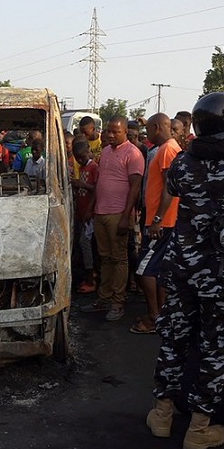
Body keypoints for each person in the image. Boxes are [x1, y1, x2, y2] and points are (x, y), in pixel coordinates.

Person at [146, 92, 224, 449]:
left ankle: (163, 415)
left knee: (174, 338)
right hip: (222, 275)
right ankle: (199, 429)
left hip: (182, 268)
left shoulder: (184, 165)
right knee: (216, 346)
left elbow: (173, 188)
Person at [80, 115, 144, 321]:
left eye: (115, 131)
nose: (110, 134)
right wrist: (92, 208)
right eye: (108, 131)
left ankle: (118, 302)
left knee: (119, 259)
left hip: (119, 215)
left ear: (125, 132)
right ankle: (104, 298)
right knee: (105, 258)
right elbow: (100, 183)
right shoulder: (106, 152)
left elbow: (135, 187)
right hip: (101, 213)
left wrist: (127, 216)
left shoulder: (133, 154)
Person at [132, 114, 180, 334]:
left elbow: (170, 189)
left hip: (162, 223)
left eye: (149, 129)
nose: (147, 134)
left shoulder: (168, 150)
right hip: (160, 221)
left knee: (143, 270)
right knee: (159, 271)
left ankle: (154, 317)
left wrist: (158, 220)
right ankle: (162, 316)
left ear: (157, 127)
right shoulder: (166, 149)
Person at [71, 140, 99, 294]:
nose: (79, 160)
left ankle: (91, 280)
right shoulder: (82, 168)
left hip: (90, 213)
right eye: (77, 158)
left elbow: (96, 189)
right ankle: (90, 275)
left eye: (81, 157)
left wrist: (89, 210)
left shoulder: (93, 167)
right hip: (83, 212)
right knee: (84, 247)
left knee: (85, 245)